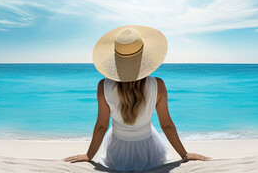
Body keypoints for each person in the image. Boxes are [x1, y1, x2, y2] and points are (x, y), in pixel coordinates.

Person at [64, 25, 210, 171]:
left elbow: (101, 127)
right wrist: (184, 154)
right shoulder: (158, 85)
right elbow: (166, 125)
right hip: (149, 150)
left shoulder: (103, 86)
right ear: (144, 58)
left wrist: (89, 155)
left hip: (117, 153)